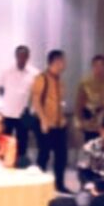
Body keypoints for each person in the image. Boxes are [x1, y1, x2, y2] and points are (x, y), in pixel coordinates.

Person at [30, 50, 71, 189]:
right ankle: (38, 185)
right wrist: (43, 120)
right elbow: (36, 100)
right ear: (56, 61)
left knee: (61, 155)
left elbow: (59, 102)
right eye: (63, 61)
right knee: (44, 154)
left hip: (59, 124)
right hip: (45, 124)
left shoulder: (60, 80)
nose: (64, 64)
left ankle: (59, 184)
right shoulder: (41, 78)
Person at [0, 45, 36, 168]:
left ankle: (20, 166)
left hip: (24, 114)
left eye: (24, 56)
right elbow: (0, 88)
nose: (22, 58)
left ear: (28, 57)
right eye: (19, 56)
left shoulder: (34, 73)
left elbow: (36, 93)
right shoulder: (6, 71)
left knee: (22, 142)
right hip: (8, 112)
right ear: (16, 56)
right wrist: (10, 98)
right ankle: (4, 164)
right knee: (5, 141)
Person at [75, 55, 104, 149]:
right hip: (90, 124)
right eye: (96, 66)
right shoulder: (85, 83)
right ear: (93, 67)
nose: (99, 69)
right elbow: (79, 103)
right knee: (91, 148)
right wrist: (78, 120)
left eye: (102, 66)